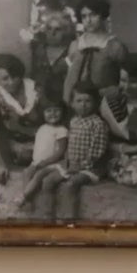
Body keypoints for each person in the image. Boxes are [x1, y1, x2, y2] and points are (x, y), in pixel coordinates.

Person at [22, 83, 107, 221]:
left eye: (88, 101)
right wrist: (68, 163)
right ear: (72, 103)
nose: (83, 104)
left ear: (95, 103)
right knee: (48, 181)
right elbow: (69, 146)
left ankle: (69, 220)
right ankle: (47, 216)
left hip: (89, 169)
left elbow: (98, 151)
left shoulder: (98, 124)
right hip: (71, 165)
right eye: (79, 101)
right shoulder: (73, 121)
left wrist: (81, 165)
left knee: (70, 185)